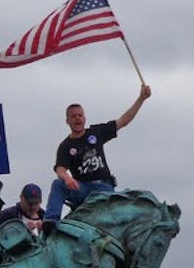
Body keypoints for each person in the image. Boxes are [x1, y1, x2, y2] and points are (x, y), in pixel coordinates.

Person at [43, 84, 152, 230]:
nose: (77, 119)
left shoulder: (96, 132)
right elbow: (60, 169)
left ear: (85, 118)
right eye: (73, 116)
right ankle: (51, 221)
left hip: (103, 187)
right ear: (67, 121)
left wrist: (141, 99)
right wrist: (67, 178)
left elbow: (123, 121)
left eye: (80, 115)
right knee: (58, 184)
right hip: (82, 188)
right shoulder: (66, 145)